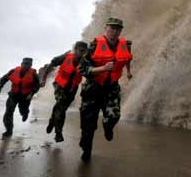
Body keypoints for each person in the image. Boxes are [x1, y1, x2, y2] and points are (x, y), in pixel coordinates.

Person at [78, 17, 133, 161]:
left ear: (121, 31)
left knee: (114, 116)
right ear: (106, 28)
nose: (114, 31)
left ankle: (108, 127)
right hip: (92, 88)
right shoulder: (94, 45)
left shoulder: (125, 45)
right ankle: (86, 149)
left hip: (111, 87)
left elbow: (127, 59)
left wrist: (128, 71)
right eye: (112, 28)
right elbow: (82, 69)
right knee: (88, 126)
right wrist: (101, 68)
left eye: (117, 29)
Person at [40, 41, 88, 143]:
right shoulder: (65, 57)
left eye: (84, 51)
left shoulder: (85, 62)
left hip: (72, 88)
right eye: (80, 51)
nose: (82, 53)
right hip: (59, 85)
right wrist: (44, 78)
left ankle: (52, 120)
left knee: (62, 108)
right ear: (75, 50)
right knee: (61, 106)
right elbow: (52, 63)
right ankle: (58, 133)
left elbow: (90, 72)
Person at [0, 57, 40, 138]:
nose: (25, 66)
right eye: (24, 63)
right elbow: (4, 78)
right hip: (14, 94)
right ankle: (8, 130)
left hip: (26, 96)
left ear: (30, 65)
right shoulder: (13, 71)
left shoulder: (33, 74)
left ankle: (25, 113)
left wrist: (32, 93)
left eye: (27, 64)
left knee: (22, 110)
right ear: (21, 64)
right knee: (8, 112)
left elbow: (37, 85)